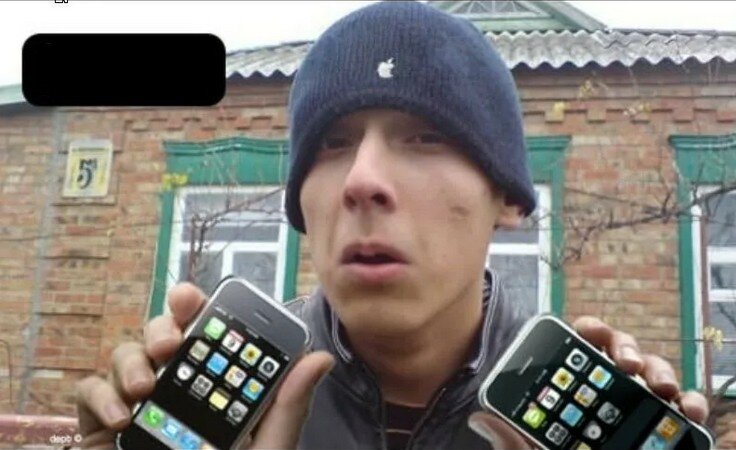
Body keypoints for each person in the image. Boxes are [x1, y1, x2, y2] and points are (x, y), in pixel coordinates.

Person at [76, 2, 709, 449]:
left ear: (510, 199)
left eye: (427, 136)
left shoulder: (571, 413)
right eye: (332, 143)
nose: (361, 180)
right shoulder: (230, 398)